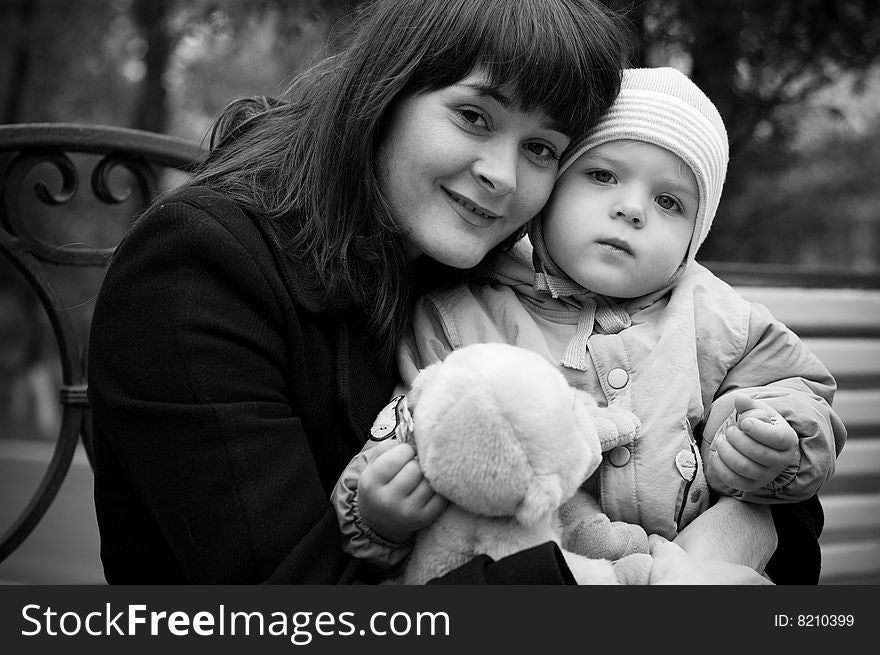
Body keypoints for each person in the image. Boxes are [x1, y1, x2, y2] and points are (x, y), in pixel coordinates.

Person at [87, 0, 636, 584]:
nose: (502, 175)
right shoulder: (195, 271)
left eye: (541, 148)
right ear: (385, 93)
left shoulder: (485, 284)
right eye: (474, 116)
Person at [333, 67, 846, 582]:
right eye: (602, 176)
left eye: (669, 202)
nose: (630, 209)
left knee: (746, 526)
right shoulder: (461, 314)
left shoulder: (715, 314)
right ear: (549, 191)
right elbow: (415, 424)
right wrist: (379, 515)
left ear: (693, 239)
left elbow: (799, 388)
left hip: (685, 559)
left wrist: (776, 442)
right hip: (533, 573)